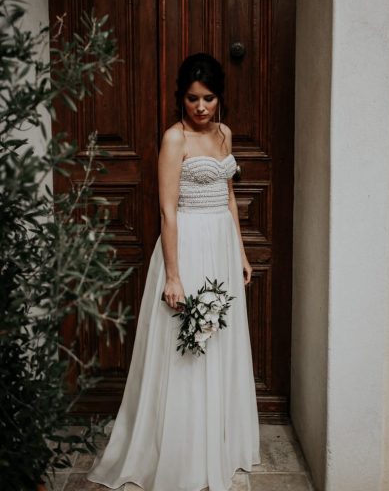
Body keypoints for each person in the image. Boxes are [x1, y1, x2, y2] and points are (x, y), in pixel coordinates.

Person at [87, 53, 260, 491]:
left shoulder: (224, 134)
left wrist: (240, 252)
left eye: (209, 98)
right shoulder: (174, 139)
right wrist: (174, 275)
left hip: (220, 245)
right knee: (187, 349)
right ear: (180, 98)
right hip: (188, 247)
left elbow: (227, 198)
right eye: (192, 98)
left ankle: (217, 442)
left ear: (220, 98)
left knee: (219, 341)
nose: (200, 107)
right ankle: (183, 452)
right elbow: (167, 211)